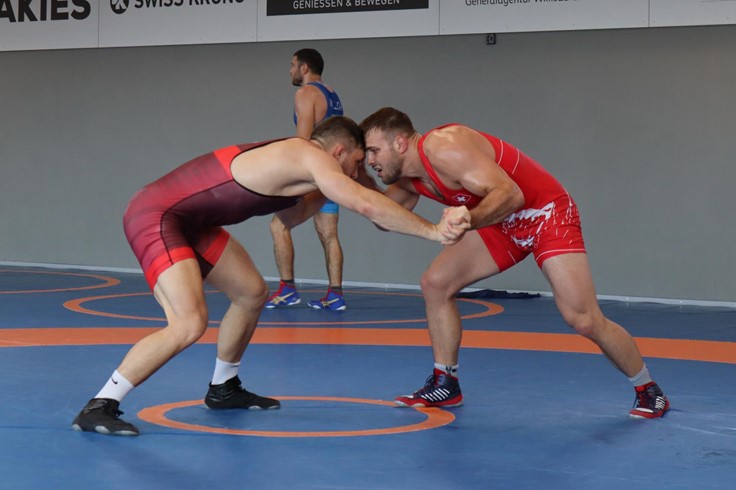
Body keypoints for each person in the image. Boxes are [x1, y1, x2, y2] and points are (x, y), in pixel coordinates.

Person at [71, 116, 470, 436]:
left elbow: (290, 217)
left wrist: (340, 189)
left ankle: (223, 388)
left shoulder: (302, 169)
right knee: (189, 323)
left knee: (250, 292)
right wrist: (433, 231)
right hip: (157, 215)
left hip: (193, 222)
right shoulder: (307, 155)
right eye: (356, 163)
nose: (359, 171)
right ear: (339, 150)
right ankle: (100, 404)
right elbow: (366, 205)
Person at [359, 107, 670, 419]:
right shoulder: (411, 179)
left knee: (583, 318)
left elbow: (511, 194)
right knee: (435, 283)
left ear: (400, 143)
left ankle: (648, 389)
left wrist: (468, 219)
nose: (371, 161)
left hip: (545, 214)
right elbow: (384, 217)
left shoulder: (444, 147)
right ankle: (446, 383)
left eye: (374, 151)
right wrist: (353, 180)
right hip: (503, 225)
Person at [266, 48, 350, 311]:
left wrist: (291, 178)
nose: (290, 70)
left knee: (278, 226)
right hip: (333, 171)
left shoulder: (305, 93)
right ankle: (336, 295)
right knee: (329, 234)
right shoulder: (332, 93)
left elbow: (302, 142)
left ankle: (288, 289)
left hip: (313, 173)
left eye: (293, 65)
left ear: (304, 68)